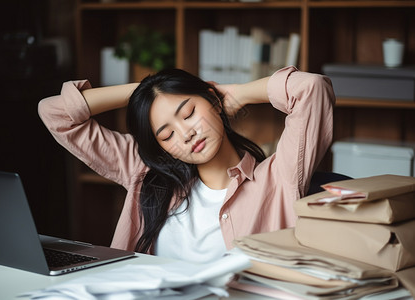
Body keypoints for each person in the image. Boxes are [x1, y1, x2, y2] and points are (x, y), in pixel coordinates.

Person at [38, 66, 335, 263]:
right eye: (166, 134)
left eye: (189, 112)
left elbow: (311, 88)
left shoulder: (277, 176)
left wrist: (239, 93)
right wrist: (147, 92)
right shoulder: (144, 172)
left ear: (213, 100)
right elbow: (55, 113)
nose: (185, 134)